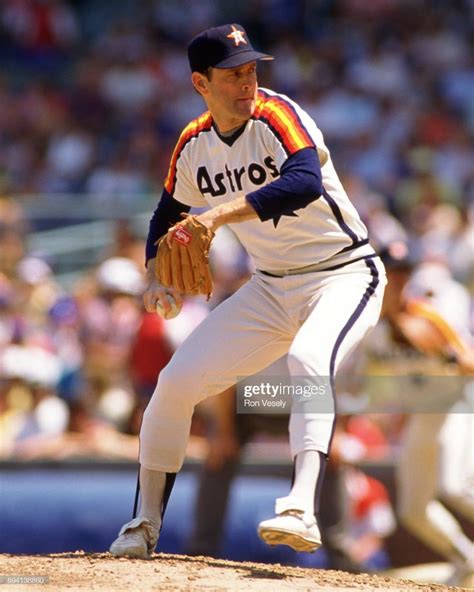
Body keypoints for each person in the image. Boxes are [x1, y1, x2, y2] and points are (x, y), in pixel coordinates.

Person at [109, 23, 386, 559]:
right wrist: (156, 275)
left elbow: (303, 181)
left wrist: (215, 216)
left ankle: (300, 508)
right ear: (200, 82)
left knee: (309, 360)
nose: (247, 81)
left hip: (344, 273)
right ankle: (142, 525)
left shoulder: (277, 115)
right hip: (270, 288)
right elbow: (167, 214)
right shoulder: (194, 143)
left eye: (251, 69)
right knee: (175, 382)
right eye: (233, 73)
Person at [371, 244, 474, 586]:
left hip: (455, 405)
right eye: (392, 273)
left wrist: (444, 358)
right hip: (420, 415)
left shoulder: (427, 315)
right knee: (413, 510)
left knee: (455, 488)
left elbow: (469, 361)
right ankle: (467, 558)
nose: (398, 280)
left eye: (403, 273)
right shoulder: (370, 325)